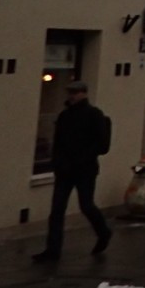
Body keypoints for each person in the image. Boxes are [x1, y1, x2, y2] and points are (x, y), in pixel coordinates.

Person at [35, 80, 113, 261]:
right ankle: (52, 250)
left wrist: (83, 157)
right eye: (70, 92)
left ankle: (103, 232)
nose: (72, 96)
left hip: (85, 169)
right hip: (64, 170)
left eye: (76, 92)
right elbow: (58, 143)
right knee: (56, 210)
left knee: (86, 205)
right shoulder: (65, 116)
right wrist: (56, 162)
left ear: (84, 93)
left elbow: (102, 145)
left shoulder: (94, 115)